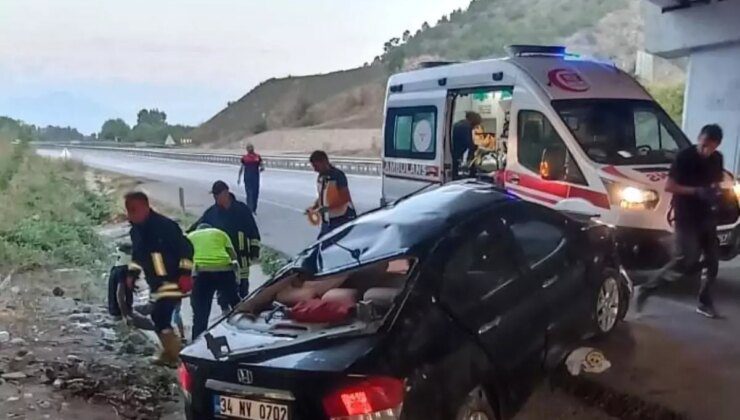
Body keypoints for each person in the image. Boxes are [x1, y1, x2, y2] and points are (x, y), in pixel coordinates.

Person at [637, 124, 725, 318]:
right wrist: (695, 191)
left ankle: (704, 302)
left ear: (716, 146)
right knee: (685, 260)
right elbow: (669, 186)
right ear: (699, 138)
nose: (706, 150)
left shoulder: (717, 159)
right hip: (686, 216)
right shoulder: (685, 157)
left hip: (707, 216)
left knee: (712, 260)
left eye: (710, 147)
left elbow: (715, 182)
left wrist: (715, 192)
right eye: (703, 145)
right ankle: (647, 289)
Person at [124, 191, 194, 367]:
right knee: (159, 317)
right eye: (129, 210)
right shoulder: (136, 232)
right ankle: (173, 353)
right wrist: (132, 275)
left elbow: (186, 249)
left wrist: (185, 273)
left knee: (160, 315)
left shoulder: (165, 226)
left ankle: (174, 355)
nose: (131, 214)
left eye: (134, 209)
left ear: (146, 207)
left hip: (173, 278)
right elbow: (137, 256)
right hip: (155, 281)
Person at [190, 181, 260, 299]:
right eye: (214, 195)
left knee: (242, 288)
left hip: (241, 257)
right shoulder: (211, 213)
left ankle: (242, 310)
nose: (216, 198)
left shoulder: (242, 210)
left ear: (226, 193)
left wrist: (254, 252)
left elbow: (253, 231)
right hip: (222, 260)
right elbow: (197, 228)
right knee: (224, 291)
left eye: (218, 195)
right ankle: (225, 309)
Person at [186, 223, 241, 340]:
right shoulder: (220, 233)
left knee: (200, 313)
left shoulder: (190, 236)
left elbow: (184, 257)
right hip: (224, 270)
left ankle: (197, 343)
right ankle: (244, 330)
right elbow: (233, 255)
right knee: (235, 303)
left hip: (202, 272)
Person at [306, 150, 356, 238]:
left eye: (316, 166)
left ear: (324, 161)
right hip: (328, 220)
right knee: (322, 244)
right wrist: (314, 207)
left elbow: (345, 198)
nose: (315, 169)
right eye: (313, 166)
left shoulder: (338, 176)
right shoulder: (321, 177)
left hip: (342, 219)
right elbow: (323, 196)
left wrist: (327, 208)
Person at [451, 111, 481, 179]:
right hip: (458, 152)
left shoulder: (458, 124)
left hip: (453, 151)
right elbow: (469, 143)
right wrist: (476, 147)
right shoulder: (467, 126)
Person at [237, 143, 264, 214]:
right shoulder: (244, 158)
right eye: (249, 148)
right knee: (249, 193)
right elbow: (241, 168)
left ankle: (253, 208)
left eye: (250, 148)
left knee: (255, 193)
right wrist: (239, 177)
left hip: (255, 177)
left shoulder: (257, 157)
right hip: (248, 177)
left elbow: (262, 166)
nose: (250, 149)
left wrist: (261, 169)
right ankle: (250, 208)